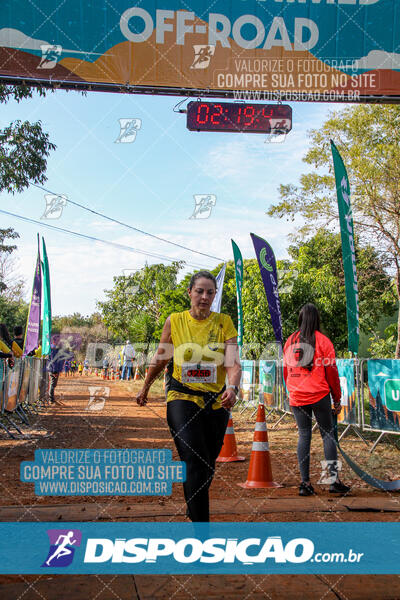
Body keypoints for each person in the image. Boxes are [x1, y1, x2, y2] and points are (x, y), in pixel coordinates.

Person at [136, 271, 241, 522]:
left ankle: (193, 502)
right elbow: (162, 357)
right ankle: (200, 530)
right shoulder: (175, 321)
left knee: (206, 465)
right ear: (190, 293)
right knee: (193, 460)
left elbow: (233, 363)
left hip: (215, 402)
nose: (204, 297)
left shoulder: (224, 322)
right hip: (181, 397)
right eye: (199, 291)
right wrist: (145, 386)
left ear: (215, 295)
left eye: (210, 292)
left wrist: (233, 387)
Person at [283, 303, 350, 496]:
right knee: (327, 435)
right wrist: (337, 398)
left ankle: (305, 484)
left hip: (297, 396)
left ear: (300, 319)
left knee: (304, 435)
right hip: (319, 395)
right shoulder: (323, 342)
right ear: (317, 319)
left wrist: (291, 392)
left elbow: (286, 371)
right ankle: (333, 481)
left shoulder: (290, 341)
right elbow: (332, 373)